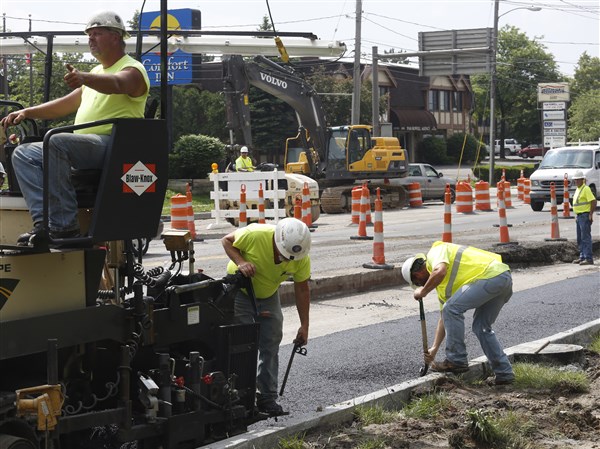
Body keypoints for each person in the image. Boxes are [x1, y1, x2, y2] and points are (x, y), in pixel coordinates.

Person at [1, 11, 149, 247]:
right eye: (89, 35)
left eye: (97, 33)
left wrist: (85, 78)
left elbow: (119, 84)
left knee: (57, 141)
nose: (91, 39)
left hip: (113, 147)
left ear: (116, 36)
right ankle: (44, 224)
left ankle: (64, 226)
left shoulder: (133, 70)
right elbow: (65, 104)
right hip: (85, 146)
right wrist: (28, 112)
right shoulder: (97, 74)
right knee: (24, 153)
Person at [222, 217, 311, 415]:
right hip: (241, 291)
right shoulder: (256, 234)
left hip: (268, 294)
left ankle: (266, 397)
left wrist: (304, 325)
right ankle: (239, 397)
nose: (287, 261)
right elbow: (226, 240)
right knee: (243, 344)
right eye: (284, 255)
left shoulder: (300, 255)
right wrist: (241, 262)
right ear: (276, 242)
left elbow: (303, 289)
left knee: (270, 342)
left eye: (291, 258)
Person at [402, 241, 515, 386]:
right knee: (481, 327)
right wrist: (435, 348)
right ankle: (504, 374)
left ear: (416, 274)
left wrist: (422, 292)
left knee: (452, 308)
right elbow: (445, 317)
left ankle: (457, 359)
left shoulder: (436, 252)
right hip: (502, 279)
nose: (421, 285)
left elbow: (440, 271)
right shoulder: (443, 288)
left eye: (418, 283)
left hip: (491, 275)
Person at [571, 170, 596, 265]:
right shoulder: (578, 189)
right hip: (579, 216)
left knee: (585, 237)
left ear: (582, 179)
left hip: (584, 216)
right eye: (575, 180)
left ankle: (588, 258)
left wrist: (590, 214)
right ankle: (582, 257)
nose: (576, 181)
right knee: (580, 238)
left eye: (578, 180)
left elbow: (593, 201)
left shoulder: (585, 189)